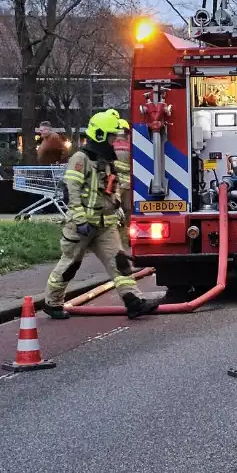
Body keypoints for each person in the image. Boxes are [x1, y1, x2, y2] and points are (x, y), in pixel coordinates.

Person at [42, 110, 159, 320]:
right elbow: (72, 191)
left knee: (121, 264)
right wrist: (79, 220)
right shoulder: (81, 158)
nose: (114, 140)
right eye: (111, 136)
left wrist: (116, 203)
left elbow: (110, 187)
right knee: (70, 265)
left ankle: (134, 302)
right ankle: (52, 302)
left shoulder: (106, 160)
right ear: (99, 135)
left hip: (105, 225)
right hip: (82, 225)